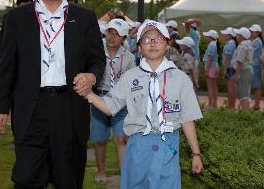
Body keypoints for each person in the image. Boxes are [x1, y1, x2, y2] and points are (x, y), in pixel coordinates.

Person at [0, 0, 105, 189]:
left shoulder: (84, 18)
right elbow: (7, 67)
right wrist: (0, 107)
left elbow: (97, 59)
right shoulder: (17, 18)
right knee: (26, 179)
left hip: (70, 108)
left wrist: (92, 75)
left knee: (68, 179)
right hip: (31, 108)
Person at [82, 20, 203, 188]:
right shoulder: (130, 77)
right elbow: (110, 107)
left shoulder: (181, 79)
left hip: (168, 146)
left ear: (168, 45)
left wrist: (195, 153)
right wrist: (87, 93)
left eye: (158, 39)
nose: (152, 43)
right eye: (146, 39)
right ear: (139, 47)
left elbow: (187, 119)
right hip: (137, 146)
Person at [91, 18, 135, 183]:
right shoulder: (96, 50)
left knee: (121, 138)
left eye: (117, 35)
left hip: (120, 99)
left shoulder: (129, 57)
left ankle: (124, 176)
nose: (112, 37)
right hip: (100, 96)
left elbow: (132, 81)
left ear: (124, 38)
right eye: (110, 32)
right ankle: (101, 172)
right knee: (100, 138)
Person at [231, 27, 254, 110]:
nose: (236, 37)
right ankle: (245, 113)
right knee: (245, 93)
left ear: (241, 36)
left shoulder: (242, 46)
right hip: (248, 70)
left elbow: (240, 62)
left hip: (243, 71)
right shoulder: (248, 45)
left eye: (238, 35)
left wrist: (236, 76)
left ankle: (245, 115)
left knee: (243, 94)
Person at [220, 27, 237, 109]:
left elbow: (227, 57)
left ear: (230, 35)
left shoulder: (230, 44)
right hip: (231, 68)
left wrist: (224, 69)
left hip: (229, 68)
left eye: (226, 34)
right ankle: (231, 105)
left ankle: (231, 106)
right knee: (231, 88)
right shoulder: (231, 43)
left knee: (230, 88)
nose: (224, 35)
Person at [203, 30, 220, 109]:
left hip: (211, 67)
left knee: (210, 87)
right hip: (215, 66)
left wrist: (206, 70)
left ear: (211, 37)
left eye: (207, 36)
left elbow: (210, 58)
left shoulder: (211, 45)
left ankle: (210, 105)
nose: (206, 37)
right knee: (214, 86)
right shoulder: (214, 44)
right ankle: (215, 104)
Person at [249, 24, 264, 110]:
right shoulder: (255, 40)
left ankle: (256, 105)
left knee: (257, 86)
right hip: (253, 65)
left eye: (252, 31)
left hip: (255, 66)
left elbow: (250, 51)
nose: (251, 32)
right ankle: (255, 105)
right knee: (255, 86)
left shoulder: (257, 41)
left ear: (258, 33)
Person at [183, 18, 201, 85]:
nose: (185, 28)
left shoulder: (191, 32)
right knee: (195, 78)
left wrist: (195, 20)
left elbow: (186, 23)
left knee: (192, 79)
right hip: (196, 57)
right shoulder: (196, 33)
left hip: (192, 57)